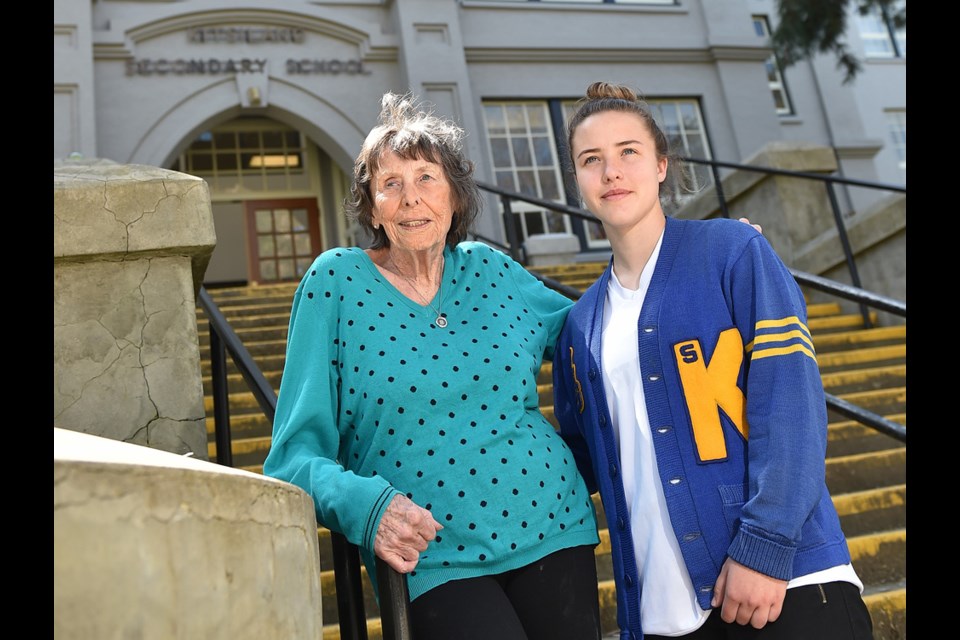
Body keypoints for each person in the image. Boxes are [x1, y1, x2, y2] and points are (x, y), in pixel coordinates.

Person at [262, 91, 604, 640]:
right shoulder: (336, 283)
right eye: (390, 184)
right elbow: (292, 458)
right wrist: (363, 506)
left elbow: (598, 334)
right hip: (430, 553)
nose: (410, 198)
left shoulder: (491, 269)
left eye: (426, 178)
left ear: (455, 198)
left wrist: (693, 259)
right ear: (372, 207)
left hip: (553, 522)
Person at [551, 82, 875, 640]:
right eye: (591, 160)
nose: (611, 172)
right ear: (577, 181)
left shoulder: (732, 252)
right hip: (662, 614)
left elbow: (791, 403)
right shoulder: (579, 325)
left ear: (660, 165)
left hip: (786, 587)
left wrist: (764, 548)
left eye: (629, 151)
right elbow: (579, 460)